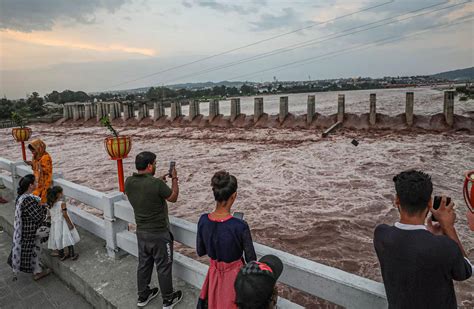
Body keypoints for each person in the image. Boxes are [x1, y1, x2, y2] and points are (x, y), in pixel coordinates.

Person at [374, 170, 472, 309]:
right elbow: (466, 271)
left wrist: (427, 234)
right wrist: (448, 228)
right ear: (430, 203)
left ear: (397, 200)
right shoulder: (445, 247)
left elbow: (411, 246)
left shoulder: (382, 235)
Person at [124, 151, 182, 308]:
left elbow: (144, 190)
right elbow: (173, 197)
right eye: (155, 163)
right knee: (163, 267)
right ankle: (168, 300)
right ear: (149, 166)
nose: (156, 166)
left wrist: (157, 182)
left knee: (144, 264)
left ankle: (143, 296)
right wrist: (174, 178)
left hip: (141, 232)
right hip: (159, 234)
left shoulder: (129, 181)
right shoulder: (156, 185)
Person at [196, 171, 257, 309]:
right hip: (234, 278)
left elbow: (200, 251)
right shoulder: (240, 226)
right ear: (234, 196)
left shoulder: (203, 220)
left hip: (214, 274)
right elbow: (251, 259)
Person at [9, 174, 51, 280]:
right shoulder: (28, 200)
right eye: (35, 182)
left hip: (26, 230)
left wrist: (42, 206)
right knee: (55, 229)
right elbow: (39, 217)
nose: (37, 184)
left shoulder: (21, 197)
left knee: (36, 248)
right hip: (31, 231)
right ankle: (38, 271)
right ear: (31, 185)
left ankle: (37, 269)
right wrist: (47, 210)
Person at [46, 186, 80, 261]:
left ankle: (61, 256)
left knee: (58, 238)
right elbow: (65, 215)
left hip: (55, 224)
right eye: (61, 192)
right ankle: (72, 255)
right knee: (68, 237)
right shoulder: (62, 204)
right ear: (58, 194)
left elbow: (49, 215)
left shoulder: (50, 204)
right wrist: (70, 224)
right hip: (63, 223)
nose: (63, 193)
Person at [24, 139, 53, 203]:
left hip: (44, 182)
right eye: (31, 151)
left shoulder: (45, 157)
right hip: (37, 182)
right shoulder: (35, 156)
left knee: (42, 201)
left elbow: (46, 170)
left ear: (39, 148)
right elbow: (36, 168)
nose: (32, 152)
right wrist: (31, 164)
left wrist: (36, 165)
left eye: (33, 150)